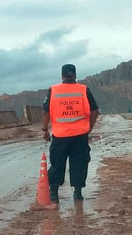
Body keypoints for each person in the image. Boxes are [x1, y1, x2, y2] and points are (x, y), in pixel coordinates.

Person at [42, 64, 99, 203]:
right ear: (75, 75)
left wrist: (44, 130)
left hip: (60, 136)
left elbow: (46, 112)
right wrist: (90, 126)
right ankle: (78, 193)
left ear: (62, 76)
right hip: (80, 136)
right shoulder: (84, 90)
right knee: (79, 163)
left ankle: (54, 194)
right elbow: (95, 110)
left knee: (57, 164)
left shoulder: (53, 90)